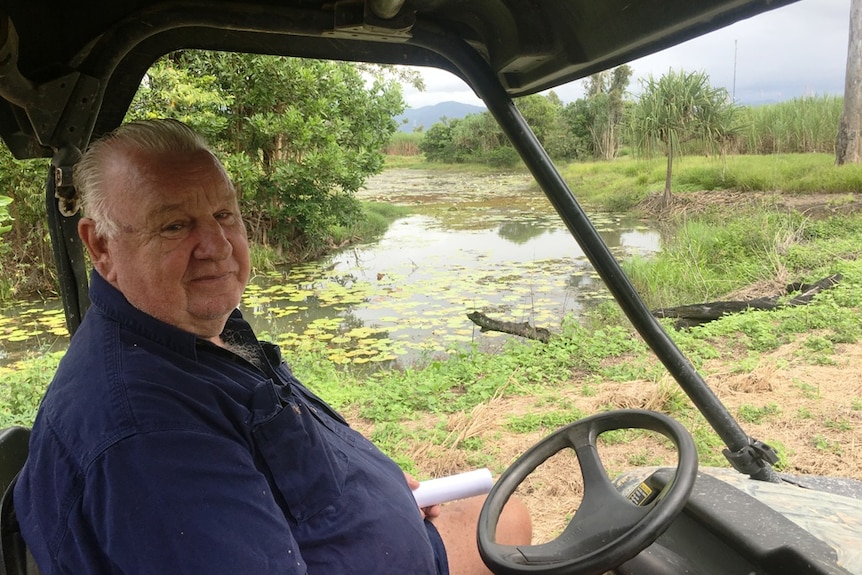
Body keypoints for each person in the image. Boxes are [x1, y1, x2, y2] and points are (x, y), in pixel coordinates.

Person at [14, 118, 531, 574]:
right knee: (513, 523)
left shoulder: (188, 330)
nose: (216, 247)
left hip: (371, 535)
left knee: (497, 504)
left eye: (224, 215)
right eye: (175, 225)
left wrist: (378, 486)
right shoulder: (150, 437)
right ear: (100, 246)